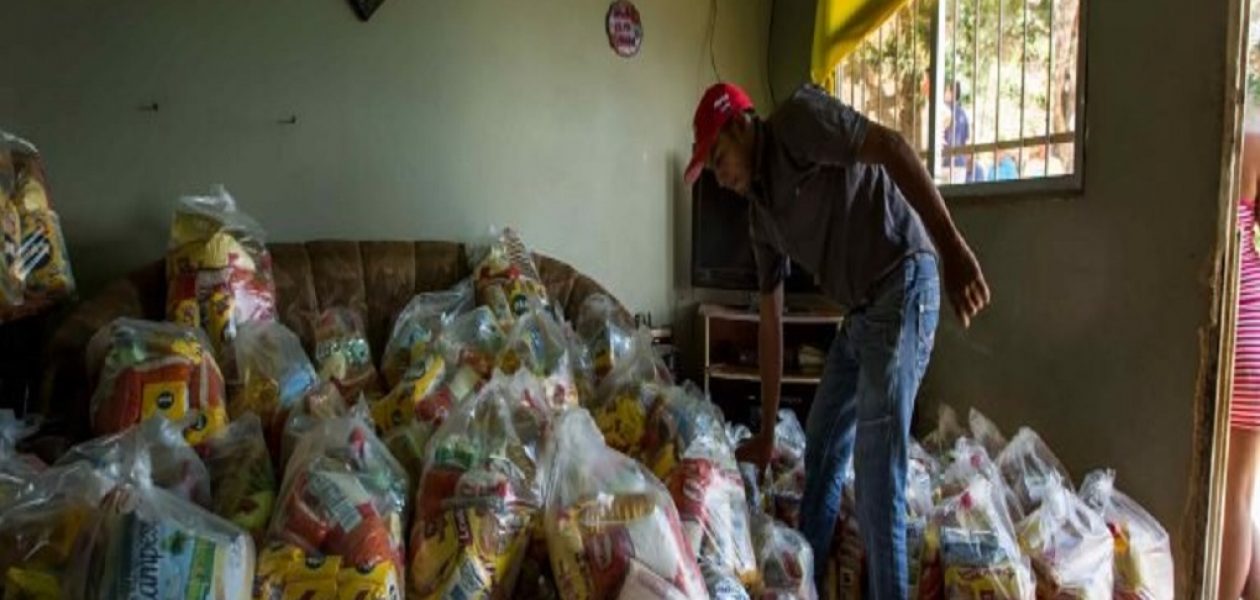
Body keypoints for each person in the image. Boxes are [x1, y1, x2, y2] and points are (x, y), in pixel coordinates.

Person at [684, 82, 990, 597]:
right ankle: (800, 582)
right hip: (862, 310)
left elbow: (891, 147)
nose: (721, 177)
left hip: (904, 279)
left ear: (741, 123)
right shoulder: (761, 216)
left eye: (719, 158)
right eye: (713, 170)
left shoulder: (798, 122)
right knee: (821, 443)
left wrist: (953, 249)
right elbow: (771, 316)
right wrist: (763, 433)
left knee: (877, 474)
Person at [1220, 125, 1260, 600]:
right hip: (1253, 331)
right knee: (1241, 499)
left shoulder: (1228, 145)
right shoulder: (1255, 145)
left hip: (1235, 337)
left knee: (1231, 503)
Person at [942, 80, 971, 183]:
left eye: (946, 90)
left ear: (951, 92)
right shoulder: (964, 114)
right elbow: (967, 141)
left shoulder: (943, 110)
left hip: (944, 162)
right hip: (960, 163)